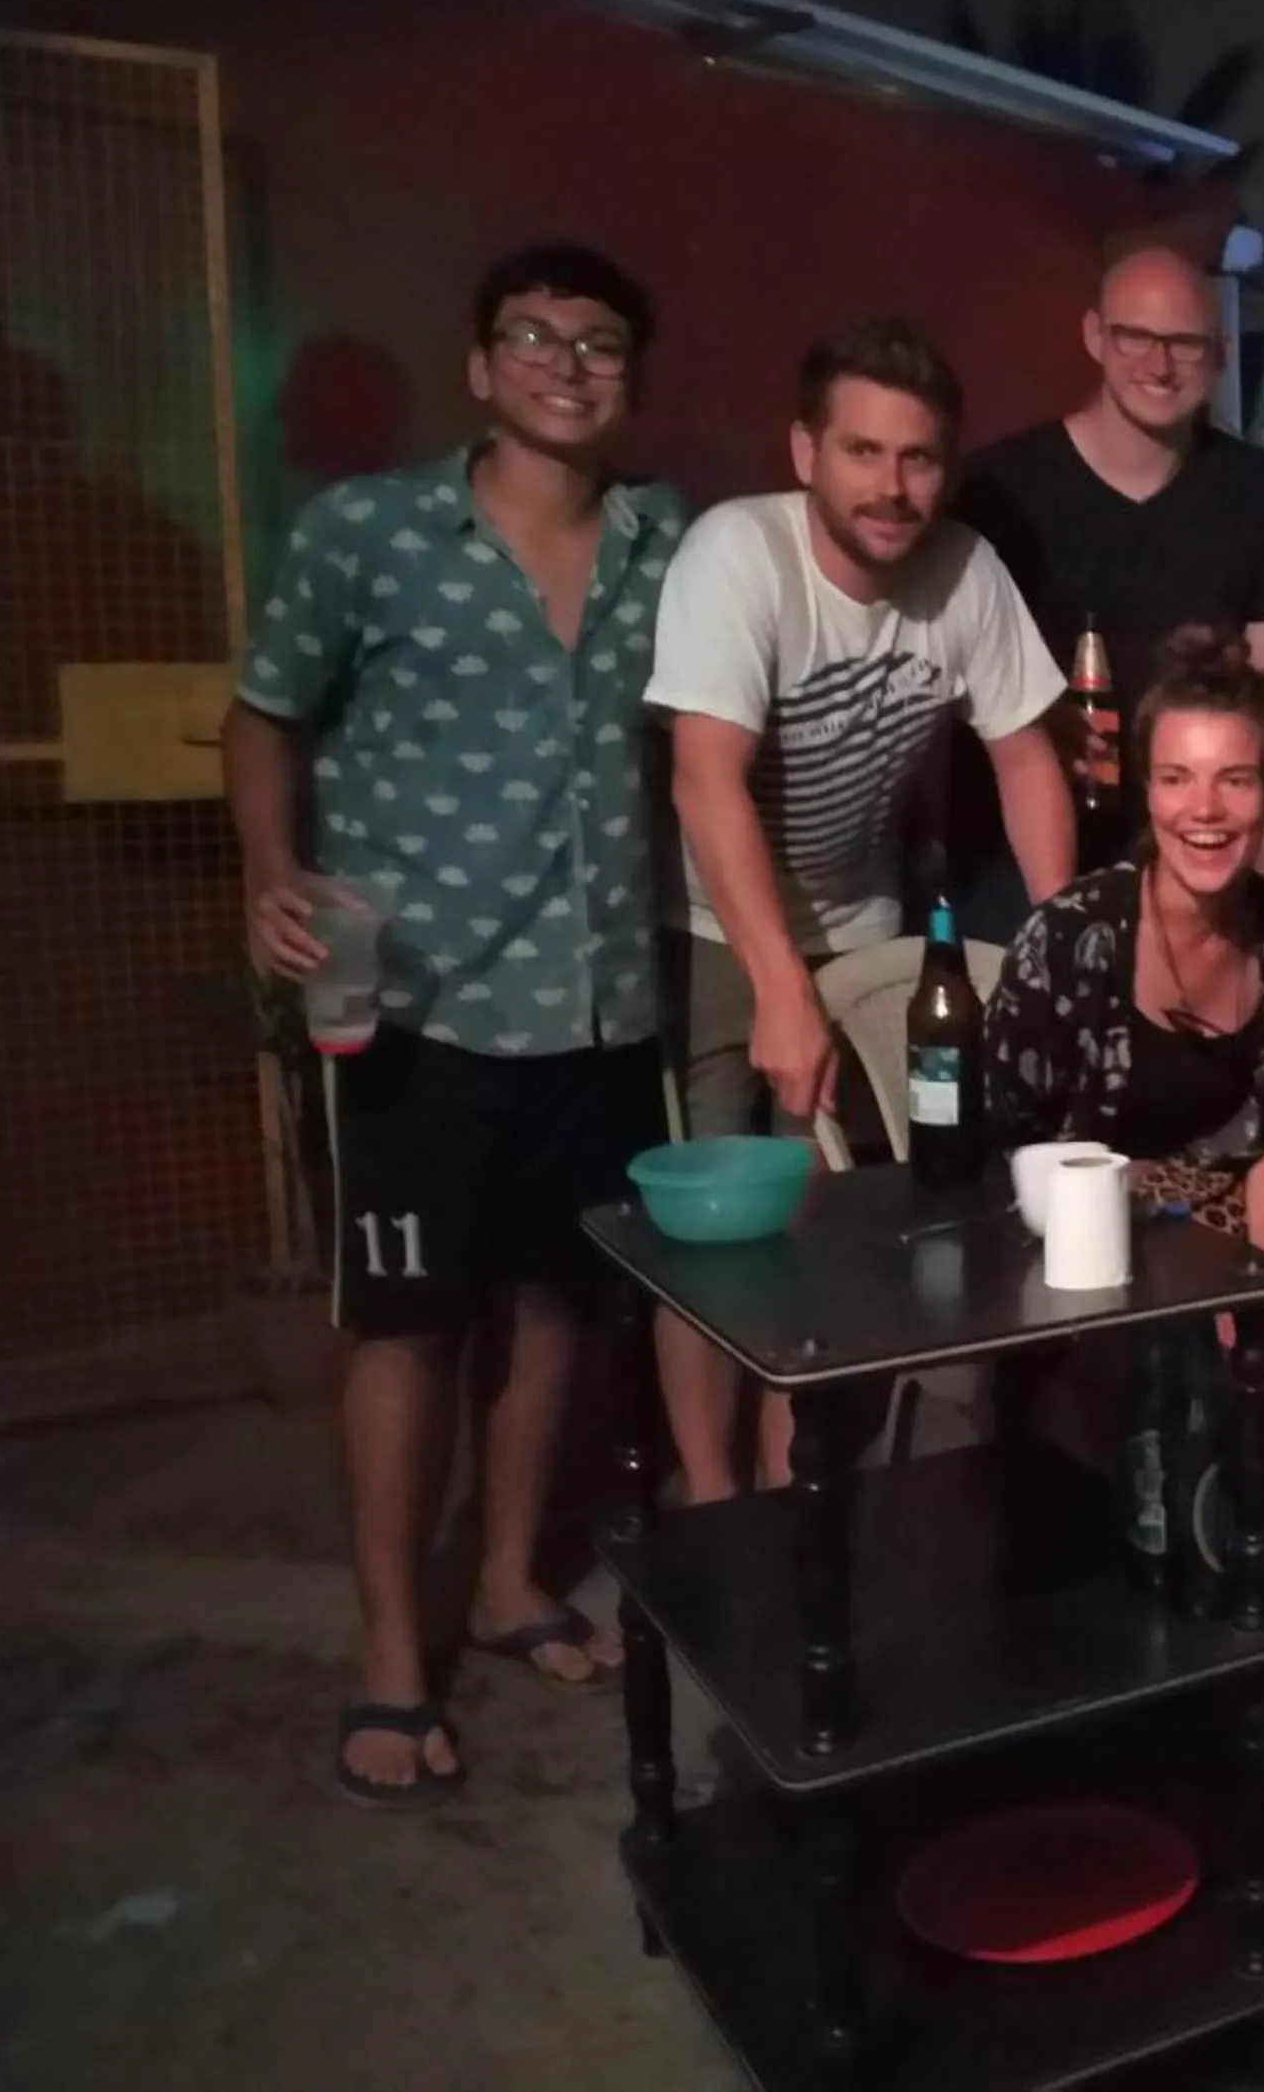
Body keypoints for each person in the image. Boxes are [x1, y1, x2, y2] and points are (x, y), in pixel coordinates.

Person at [224, 243, 683, 1807]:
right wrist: (271, 870)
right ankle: (389, 1657)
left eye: (600, 341)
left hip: (603, 997)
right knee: (408, 1322)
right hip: (414, 999)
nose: (568, 362)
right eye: (534, 338)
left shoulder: (663, 541)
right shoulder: (370, 534)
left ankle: (503, 1582)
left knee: (557, 1301)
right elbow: (265, 709)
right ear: (481, 368)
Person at [644, 318, 1073, 1501]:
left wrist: (1062, 949)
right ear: (806, 451)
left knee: (840, 1225)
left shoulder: (965, 570)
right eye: (863, 452)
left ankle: (805, 1502)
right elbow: (703, 776)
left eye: (919, 457)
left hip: (866, 920)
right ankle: (716, 1506)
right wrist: (780, 990)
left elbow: (1028, 759)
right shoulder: (739, 555)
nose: (892, 486)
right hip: (717, 928)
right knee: (715, 1234)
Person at [954, 247, 1264, 894]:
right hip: (1014, 860)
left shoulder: (1259, 490)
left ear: (1220, 351)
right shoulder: (997, 491)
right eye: (1135, 337)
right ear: (1095, 336)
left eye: (1183, 343)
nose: (1159, 364)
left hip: (1200, 848)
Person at [983, 625, 1264, 1259]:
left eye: (1235, 780)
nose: (1204, 809)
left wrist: (1263, 1306)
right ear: (1148, 792)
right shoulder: (1067, 940)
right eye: (1176, 779)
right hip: (1064, 1257)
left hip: (1221, 1246)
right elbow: (1004, 1159)